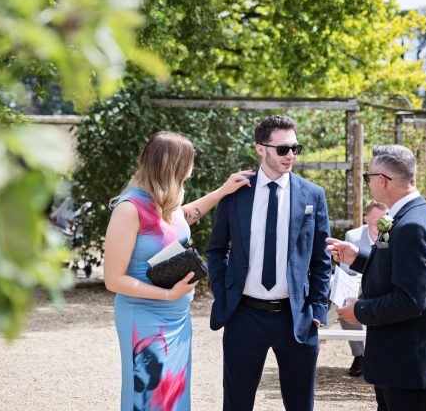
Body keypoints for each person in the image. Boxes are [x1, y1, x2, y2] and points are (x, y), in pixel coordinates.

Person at [104, 131, 254, 411]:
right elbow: (113, 279)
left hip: (177, 320)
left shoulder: (165, 205)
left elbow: (184, 217)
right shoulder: (129, 209)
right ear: (173, 166)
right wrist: (167, 294)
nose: (192, 170)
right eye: (189, 163)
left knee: (173, 396)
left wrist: (222, 192)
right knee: (148, 397)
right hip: (144, 320)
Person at [207, 114, 332, 411]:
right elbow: (216, 249)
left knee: (300, 404)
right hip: (244, 315)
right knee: (236, 404)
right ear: (261, 149)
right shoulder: (236, 192)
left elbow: (321, 258)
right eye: (283, 149)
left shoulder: (313, 195)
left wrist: (317, 308)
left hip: (295, 317)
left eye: (295, 148)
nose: (291, 155)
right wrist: (224, 294)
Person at [326, 145, 426, 411]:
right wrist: (358, 258)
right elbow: (399, 269)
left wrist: (358, 311)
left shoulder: (412, 225)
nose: (369, 183)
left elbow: (409, 300)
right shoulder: (414, 215)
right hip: (401, 361)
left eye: (368, 177)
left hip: (408, 364)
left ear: (382, 180)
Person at [338, 200, 389, 377]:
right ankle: (359, 355)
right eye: (374, 219)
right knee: (346, 302)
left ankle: (383, 356)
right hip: (360, 286)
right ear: (366, 218)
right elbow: (346, 270)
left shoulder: (395, 235)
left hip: (386, 289)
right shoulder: (353, 236)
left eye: (382, 219)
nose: (377, 224)